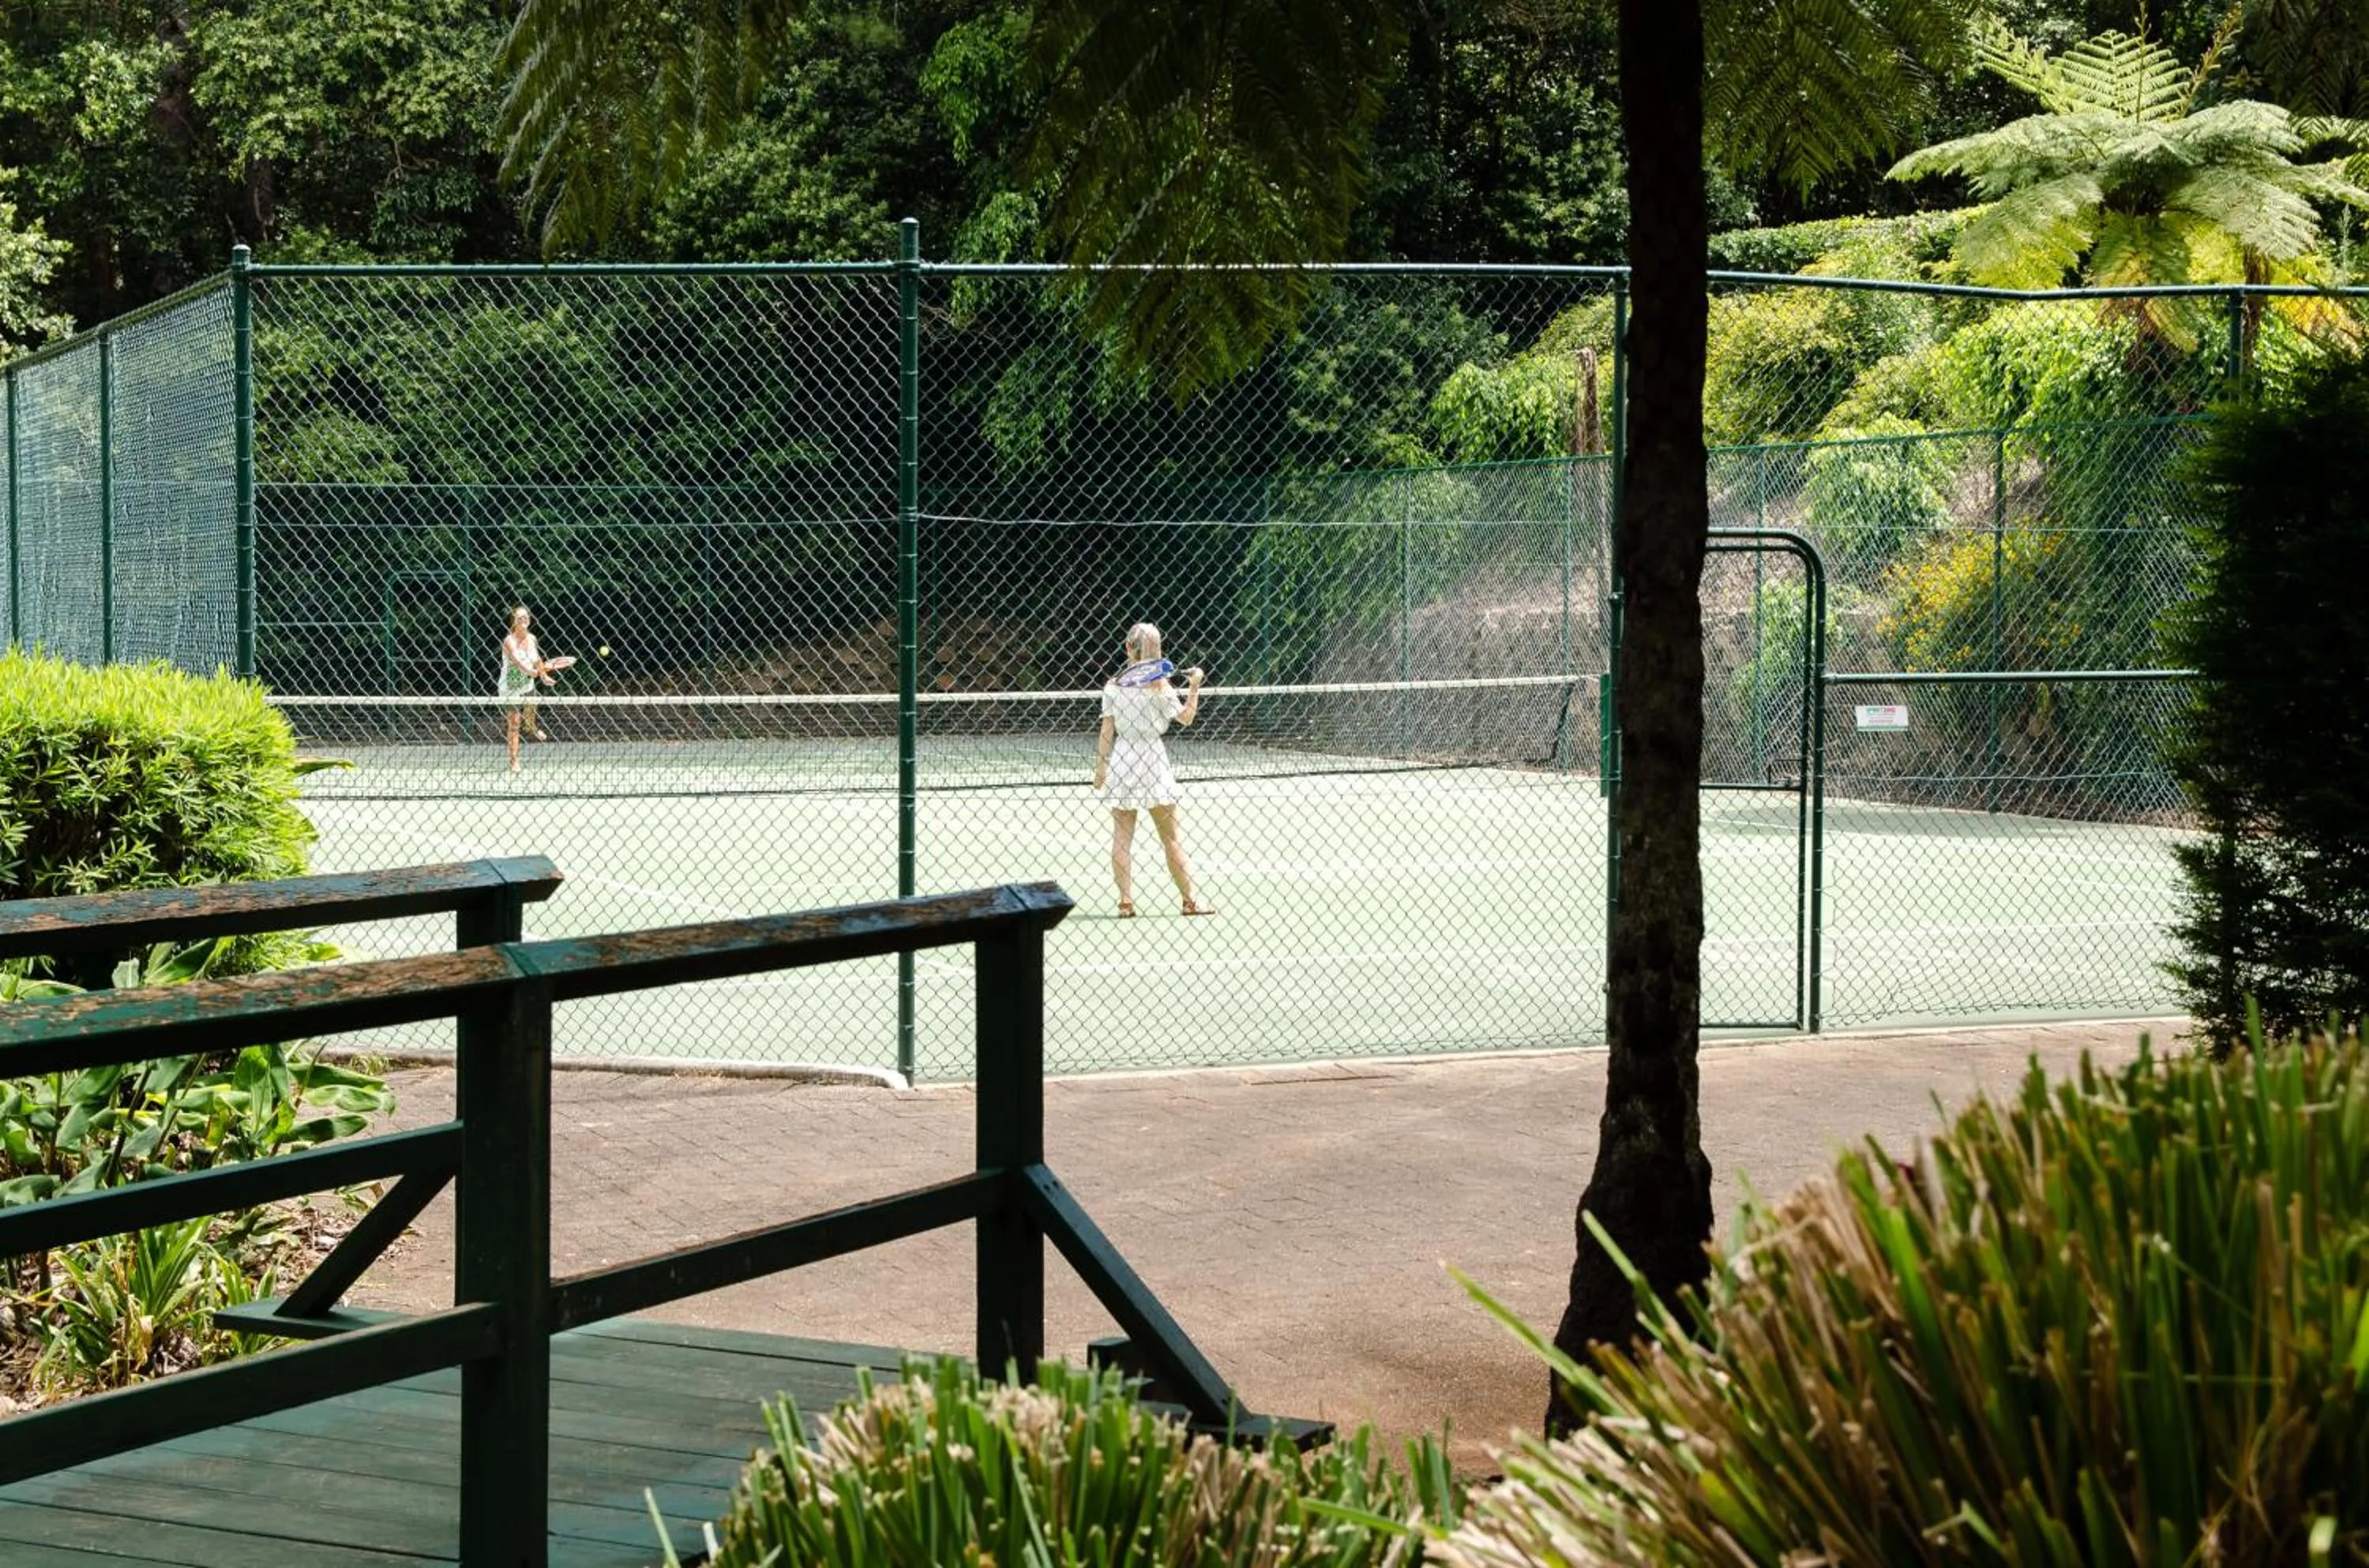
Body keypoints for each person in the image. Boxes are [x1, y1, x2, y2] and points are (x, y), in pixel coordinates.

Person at [1092, 622, 1215, 917]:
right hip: (1153, 759)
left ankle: (1125, 902)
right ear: (1157, 651)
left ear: (1127, 648)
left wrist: (1101, 768)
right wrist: (1195, 685)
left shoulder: (1113, 685)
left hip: (1122, 758)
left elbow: (1107, 729)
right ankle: (1190, 901)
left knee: (1121, 835)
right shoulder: (1162, 687)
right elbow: (1186, 718)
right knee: (1171, 837)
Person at [498, 605, 556, 775]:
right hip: (510, 689)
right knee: (514, 725)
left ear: (529, 620)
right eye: (520, 617)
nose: (523, 619)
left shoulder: (532, 639)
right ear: (514, 622)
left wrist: (543, 675)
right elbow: (517, 660)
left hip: (527, 685)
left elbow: (537, 658)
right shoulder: (509, 641)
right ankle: (514, 761)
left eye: (526, 617)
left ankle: (531, 727)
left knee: (531, 711)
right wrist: (529, 671)